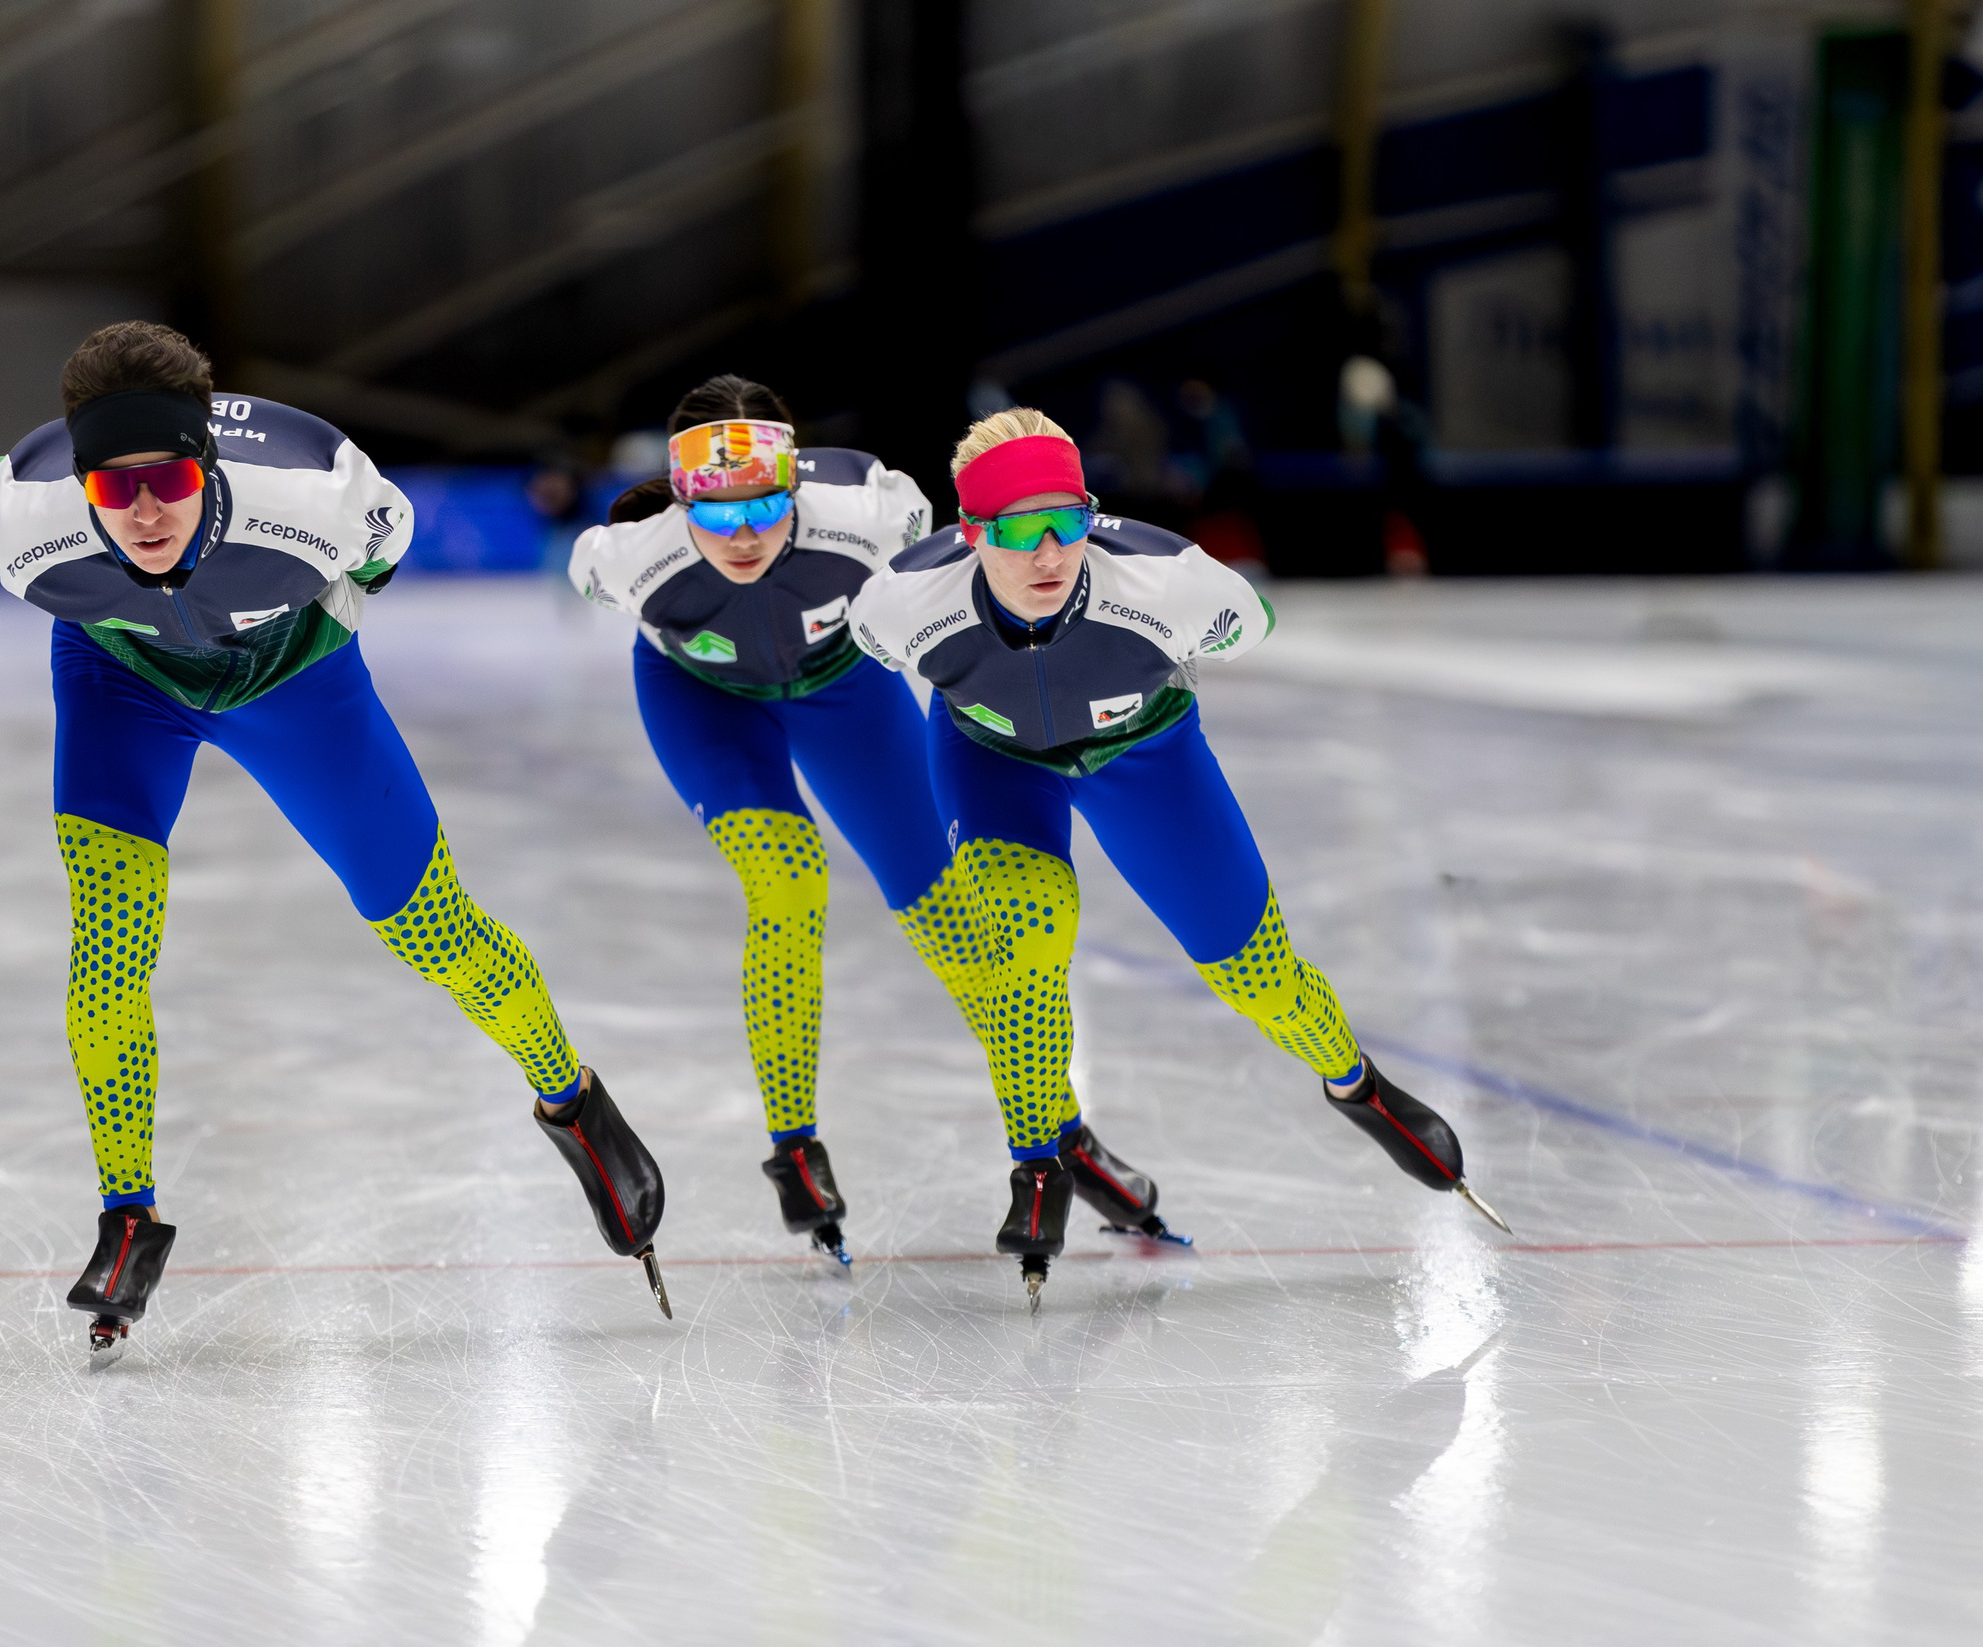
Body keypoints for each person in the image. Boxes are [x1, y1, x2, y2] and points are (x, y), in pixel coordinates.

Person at [0, 321, 672, 1360]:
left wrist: (325, 616)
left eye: (167, 477)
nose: (147, 511)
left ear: (206, 461)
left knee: (432, 932)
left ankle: (574, 1101)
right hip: (122, 682)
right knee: (108, 944)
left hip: (294, 674)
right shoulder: (15, 522)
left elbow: (385, 544)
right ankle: (128, 1214)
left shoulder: (315, 491)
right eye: (115, 492)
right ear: (79, 491)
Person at [846, 406, 1509, 1306]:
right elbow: (879, 652)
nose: (1050, 554)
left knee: (1257, 976)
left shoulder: (1169, 582)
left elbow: (1251, 619)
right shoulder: (897, 603)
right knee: (1029, 936)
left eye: (1068, 524)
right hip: (992, 758)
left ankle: (1359, 1085)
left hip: (1144, 753)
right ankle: (1037, 1161)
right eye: (1018, 532)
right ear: (970, 535)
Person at [569, 376, 1178, 1264]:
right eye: (717, 511)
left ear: (798, 486)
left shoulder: (866, 509)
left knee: (963, 932)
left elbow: (968, 583)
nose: (742, 534)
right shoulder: (627, 555)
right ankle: (794, 1152)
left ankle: (1059, 1139)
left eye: (766, 503)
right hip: (702, 698)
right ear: (681, 496)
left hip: (844, 688)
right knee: (784, 875)